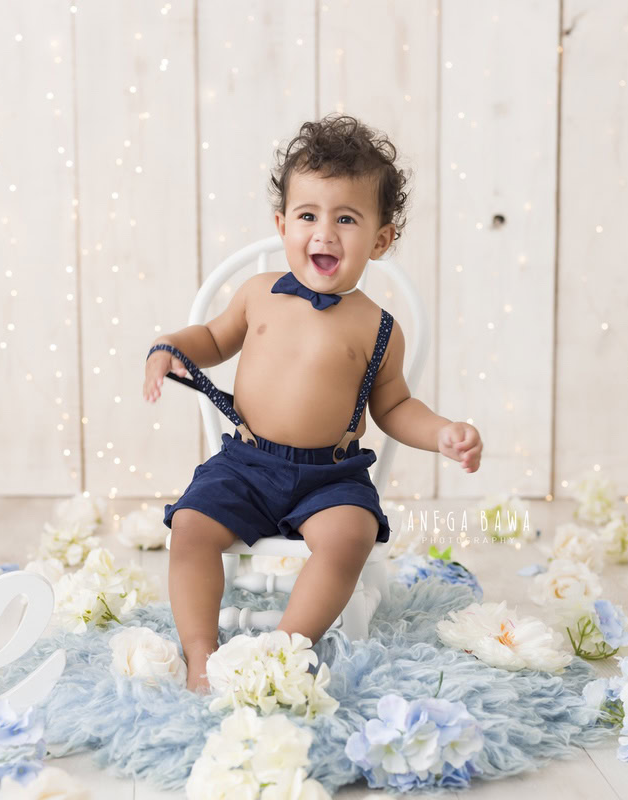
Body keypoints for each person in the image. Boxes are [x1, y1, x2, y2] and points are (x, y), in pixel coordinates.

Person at [142, 114, 482, 693]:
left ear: (380, 239)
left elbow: (395, 407)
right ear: (282, 224)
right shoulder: (258, 295)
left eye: (346, 219)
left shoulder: (378, 327)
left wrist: (443, 430)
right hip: (245, 464)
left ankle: (284, 648)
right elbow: (213, 339)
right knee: (192, 528)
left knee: (350, 534)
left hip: (330, 476)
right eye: (308, 216)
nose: (324, 233)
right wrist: (168, 346)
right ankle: (201, 654)